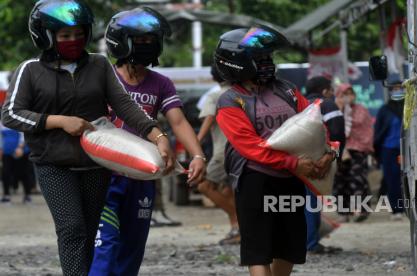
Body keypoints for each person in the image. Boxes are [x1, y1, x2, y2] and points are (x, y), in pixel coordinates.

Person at [1, 1, 176, 275]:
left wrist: (157, 134)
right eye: (65, 35)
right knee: (72, 229)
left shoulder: (99, 64)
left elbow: (125, 105)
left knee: (90, 231)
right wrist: (57, 121)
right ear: (46, 36)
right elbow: (11, 114)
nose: (74, 40)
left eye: (78, 33)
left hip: (95, 165)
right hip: (53, 165)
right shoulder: (30, 70)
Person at [89, 7, 206, 276]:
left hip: (142, 180)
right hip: (104, 178)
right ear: (122, 42)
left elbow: (178, 121)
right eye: (140, 40)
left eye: (151, 40)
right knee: (105, 247)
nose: (147, 46)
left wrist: (198, 155)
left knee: (132, 250)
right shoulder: (103, 77)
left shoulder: (161, 84)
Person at [215, 27, 336, 276]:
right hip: (255, 181)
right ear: (238, 63)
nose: (267, 63)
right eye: (260, 59)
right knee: (258, 250)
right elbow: (249, 145)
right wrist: (292, 163)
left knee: (289, 247)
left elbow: (314, 122)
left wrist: (327, 153)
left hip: (290, 181)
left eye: (268, 58)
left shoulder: (287, 89)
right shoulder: (230, 100)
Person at [196, 65, 239, 245]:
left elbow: (209, 118)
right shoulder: (241, 93)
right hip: (240, 151)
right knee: (228, 190)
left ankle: (238, 222)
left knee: (205, 186)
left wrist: (195, 142)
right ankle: (236, 229)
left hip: (222, 152)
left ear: (215, 77)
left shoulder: (216, 95)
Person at [304, 76, 346, 254]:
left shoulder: (300, 103)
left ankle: (307, 241)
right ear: (324, 91)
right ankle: (311, 243)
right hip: (321, 158)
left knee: (304, 199)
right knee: (312, 200)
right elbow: (337, 131)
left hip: (297, 159)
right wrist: (335, 156)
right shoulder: (327, 104)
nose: (332, 94)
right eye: (330, 90)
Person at [333, 83, 374, 223]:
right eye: (344, 94)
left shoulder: (360, 109)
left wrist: (346, 110)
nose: (348, 96)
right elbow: (332, 126)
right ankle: (343, 212)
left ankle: (362, 209)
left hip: (357, 150)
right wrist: (340, 109)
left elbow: (362, 124)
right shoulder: (334, 109)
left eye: (350, 93)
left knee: (357, 179)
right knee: (339, 181)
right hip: (340, 150)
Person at [374, 81, 405, 220]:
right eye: (395, 89)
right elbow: (378, 132)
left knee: (405, 178)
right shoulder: (385, 110)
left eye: (400, 88)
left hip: (406, 149)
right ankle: (396, 209)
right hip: (389, 150)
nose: (397, 91)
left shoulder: (408, 107)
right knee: (392, 179)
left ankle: (408, 206)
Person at [0, 125, 32, 203]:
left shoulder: (17, 118)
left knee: (23, 173)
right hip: (7, 152)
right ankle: (6, 195)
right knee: (6, 173)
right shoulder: (2, 122)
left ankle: (27, 196)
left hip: (21, 152)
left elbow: (24, 134)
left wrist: (20, 147)